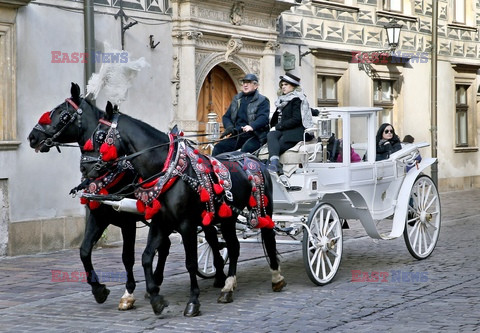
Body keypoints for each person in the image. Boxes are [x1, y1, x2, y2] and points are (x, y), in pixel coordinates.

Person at [266, 73, 314, 174]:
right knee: (271, 135)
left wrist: (279, 126)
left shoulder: (298, 99)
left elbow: (296, 119)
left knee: (278, 144)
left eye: (286, 84)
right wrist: (275, 126)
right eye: (282, 85)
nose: (283, 87)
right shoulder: (282, 100)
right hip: (284, 129)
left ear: (293, 86)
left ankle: (272, 164)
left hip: (296, 130)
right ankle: (274, 163)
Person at [212, 73, 270, 156]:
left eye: (249, 82)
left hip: (255, 136)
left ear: (256, 85)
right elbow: (226, 116)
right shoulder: (237, 99)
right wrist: (229, 127)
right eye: (244, 82)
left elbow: (263, 118)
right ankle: (217, 168)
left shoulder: (263, 100)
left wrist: (252, 126)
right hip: (238, 135)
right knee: (218, 148)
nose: (245, 85)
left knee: (243, 153)